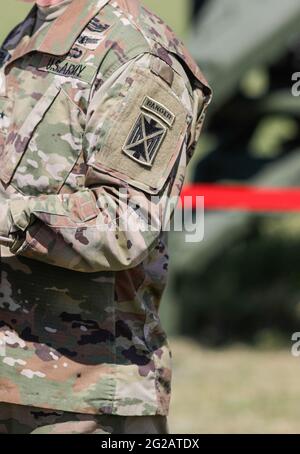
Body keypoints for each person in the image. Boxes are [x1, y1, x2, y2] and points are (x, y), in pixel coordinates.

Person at [0, 0, 211, 434]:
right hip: (14, 378)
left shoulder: (138, 53)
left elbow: (125, 222)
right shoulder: (30, 31)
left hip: (82, 399)